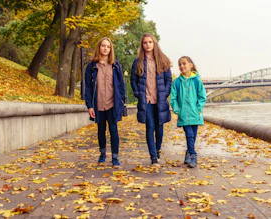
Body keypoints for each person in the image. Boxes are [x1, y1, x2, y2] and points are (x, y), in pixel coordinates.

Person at [130, 33, 172, 166]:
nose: (147, 45)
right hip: (146, 100)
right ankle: (153, 156)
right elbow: (133, 80)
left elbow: (168, 80)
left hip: (159, 99)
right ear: (142, 45)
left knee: (159, 128)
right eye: (145, 43)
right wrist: (138, 93)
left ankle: (157, 149)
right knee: (150, 127)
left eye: (150, 42)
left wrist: (165, 93)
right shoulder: (138, 62)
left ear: (154, 43)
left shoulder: (163, 60)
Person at [85, 37, 126, 168]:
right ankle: (102, 154)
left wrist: (122, 100)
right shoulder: (91, 66)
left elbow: (120, 85)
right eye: (103, 46)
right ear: (99, 47)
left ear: (110, 49)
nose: (105, 48)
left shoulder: (115, 65)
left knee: (113, 130)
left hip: (112, 104)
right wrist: (89, 106)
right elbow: (88, 87)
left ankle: (115, 157)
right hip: (98, 104)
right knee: (100, 129)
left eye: (108, 46)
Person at [170, 56, 207, 168]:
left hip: (195, 114)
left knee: (193, 136)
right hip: (184, 115)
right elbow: (173, 98)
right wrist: (177, 110)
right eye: (180, 64)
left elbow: (202, 96)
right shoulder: (177, 82)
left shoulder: (197, 81)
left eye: (184, 63)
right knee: (189, 135)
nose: (181, 66)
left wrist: (198, 109)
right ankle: (193, 155)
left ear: (190, 65)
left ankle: (188, 154)